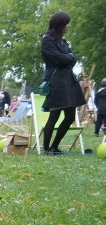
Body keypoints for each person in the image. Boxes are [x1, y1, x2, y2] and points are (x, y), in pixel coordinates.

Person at [39, 11, 86, 154]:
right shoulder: (47, 40)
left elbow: (73, 59)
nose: (69, 26)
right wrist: (68, 57)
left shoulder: (63, 41)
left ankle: (55, 146)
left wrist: (68, 58)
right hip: (56, 82)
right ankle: (47, 148)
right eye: (67, 23)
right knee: (55, 116)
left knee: (70, 116)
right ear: (60, 24)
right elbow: (58, 59)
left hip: (68, 80)